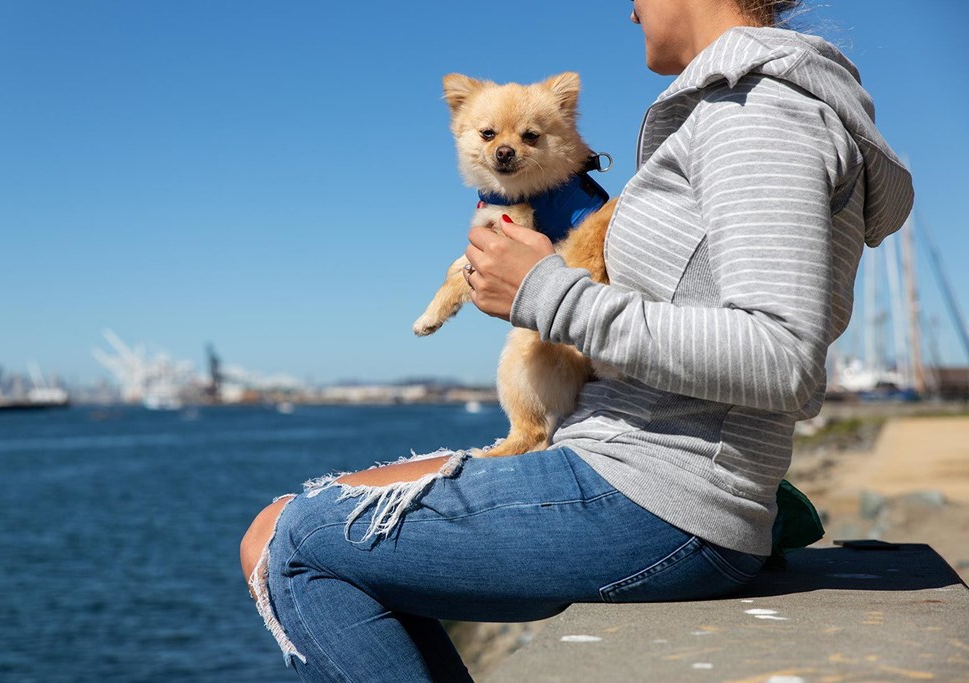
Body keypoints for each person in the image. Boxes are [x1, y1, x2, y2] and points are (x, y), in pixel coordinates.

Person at [240, 0, 914, 680]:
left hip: (661, 497)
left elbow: (782, 357)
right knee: (279, 522)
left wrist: (542, 292)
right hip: (624, 464)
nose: (630, 12)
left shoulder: (761, 113)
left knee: (297, 542)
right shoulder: (730, 106)